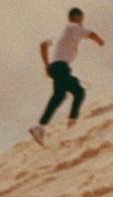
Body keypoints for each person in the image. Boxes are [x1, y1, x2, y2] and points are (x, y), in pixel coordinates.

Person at [29, 8, 105, 142]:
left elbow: (42, 45)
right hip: (61, 67)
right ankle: (72, 125)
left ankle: (40, 127)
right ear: (76, 17)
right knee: (79, 92)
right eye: (81, 19)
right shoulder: (74, 27)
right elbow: (91, 34)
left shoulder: (59, 31)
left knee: (59, 96)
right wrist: (99, 41)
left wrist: (47, 65)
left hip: (54, 67)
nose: (82, 23)